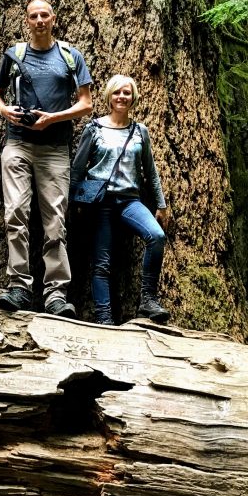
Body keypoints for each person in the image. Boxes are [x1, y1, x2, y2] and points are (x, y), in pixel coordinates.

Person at [0, 0, 93, 317]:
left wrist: (52, 118)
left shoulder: (70, 56)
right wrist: (5, 110)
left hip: (55, 148)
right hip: (18, 144)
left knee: (55, 221)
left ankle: (56, 294)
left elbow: (86, 104)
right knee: (15, 214)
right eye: (33, 16)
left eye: (44, 15)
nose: (39, 20)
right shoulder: (15, 54)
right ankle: (20, 287)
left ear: (54, 19)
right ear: (27, 21)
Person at [70, 74, 170, 325]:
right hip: (100, 203)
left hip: (129, 201)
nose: (121, 97)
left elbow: (151, 171)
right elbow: (78, 169)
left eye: (126, 92)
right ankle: (104, 318)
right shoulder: (94, 129)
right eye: (117, 92)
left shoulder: (140, 131)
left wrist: (161, 204)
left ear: (133, 97)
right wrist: (74, 203)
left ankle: (148, 299)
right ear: (109, 96)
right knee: (102, 264)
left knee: (156, 237)